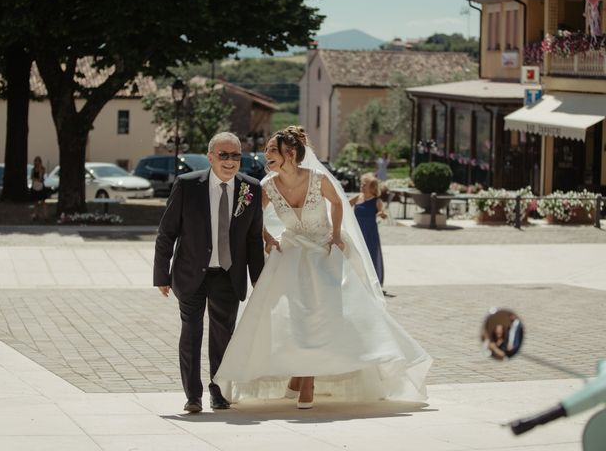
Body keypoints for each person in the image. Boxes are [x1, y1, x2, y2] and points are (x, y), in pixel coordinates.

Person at [215, 126, 431, 409]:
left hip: (323, 251)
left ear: (289, 154)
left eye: (271, 149)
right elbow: (255, 218)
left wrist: (337, 233)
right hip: (290, 254)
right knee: (294, 318)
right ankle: (298, 377)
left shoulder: (317, 179)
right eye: (266, 149)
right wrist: (268, 238)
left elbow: (338, 203)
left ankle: (307, 381)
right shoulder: (267, 184)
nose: (265, 154)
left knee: (320, 316)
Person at [153, 132, 264, 414]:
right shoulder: (188, 185)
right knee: (191, 332)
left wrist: (259, 281)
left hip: (229, 274)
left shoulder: (250, 189)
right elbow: (167, 233)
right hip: (191, 273)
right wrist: (161, 275)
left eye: (235, 155)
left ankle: (218, 393)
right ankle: (193, 395)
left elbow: (253, 240)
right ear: (210, 156)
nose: (230, 161)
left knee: (223, 337)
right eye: (224, 155)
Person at [350, 173, 386, 285]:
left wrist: (381, 214)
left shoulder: (377, 201)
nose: (362, 186)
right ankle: (357, 279)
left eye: (365, 184)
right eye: (362, 183)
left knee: (371, 255)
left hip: (370, 233)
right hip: (357, 232)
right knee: (357, 256)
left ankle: (373, 281)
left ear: (372, 187)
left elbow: (382, 212)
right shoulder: (358, 197)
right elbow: (343, 204)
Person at [30, 156, 48, 221]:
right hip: (35, 186)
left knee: (43, 202)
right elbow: (32, 177)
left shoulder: (42, 169)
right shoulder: (33, 169)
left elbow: (41, 178)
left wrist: (39, 169)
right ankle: (36, 214)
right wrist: (35, 179)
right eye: (36, 161)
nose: (36, 162)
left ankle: (45, 215)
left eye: (38, 161)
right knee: (35, 202)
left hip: (41, 186)